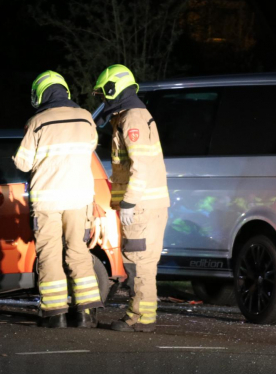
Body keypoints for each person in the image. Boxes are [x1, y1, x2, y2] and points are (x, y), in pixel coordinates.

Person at [14, 70, 102, 328]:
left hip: (47, 202)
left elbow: (23, 162)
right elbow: (91, 146)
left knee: (50, 254)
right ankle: (86, 315)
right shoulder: (86, 118)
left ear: (40, 94)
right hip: (79, 199)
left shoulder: (37, 121)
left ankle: (55, 315)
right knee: (78, 252)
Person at [93, 64, 169, 333]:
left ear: (114, 90)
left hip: (141, 207)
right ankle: (142, 316)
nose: (102, 100)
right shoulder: (129, 116)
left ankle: (138, 317)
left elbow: (141, 166)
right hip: (145, 205)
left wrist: (128, 202)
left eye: (104, 95)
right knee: (142, 263)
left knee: (139, 263)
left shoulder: (132, 119)